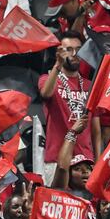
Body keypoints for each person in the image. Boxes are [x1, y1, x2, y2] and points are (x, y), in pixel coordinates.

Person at [38, 31, 93, 185]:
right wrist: (57, 65)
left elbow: (95, 128)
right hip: (57, 158)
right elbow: (46, 93)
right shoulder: (47, 79)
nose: (74, 53)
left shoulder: (90, 85)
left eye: (78, 49)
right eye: (68, 49)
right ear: (59, 52)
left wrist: (98, 159)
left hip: (85, 161)